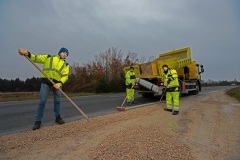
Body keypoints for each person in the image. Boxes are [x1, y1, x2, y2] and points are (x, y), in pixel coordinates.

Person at [18, 47, 70, 130]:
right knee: (42, 101)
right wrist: (28, 53)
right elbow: (36, 58)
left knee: (57, 101)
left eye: (66, 54)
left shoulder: (66, 65)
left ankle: (58, 118)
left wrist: (60, 83)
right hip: (46, 81)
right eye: (64, 53)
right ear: (60, 52)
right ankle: (37, 121)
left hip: (57, 83)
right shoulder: (49, 57)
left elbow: (65, 76)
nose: (65, 55)